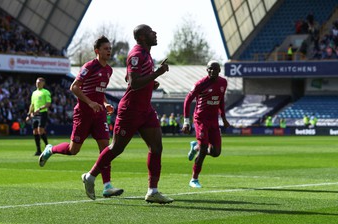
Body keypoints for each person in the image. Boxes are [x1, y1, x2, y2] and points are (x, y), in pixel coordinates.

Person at [81, 24, 173, 204]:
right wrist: (157, 74)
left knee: (156, 147)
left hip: (145, 109)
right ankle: (90, 176)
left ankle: (152, 191)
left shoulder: (146, 54)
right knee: (116, 148)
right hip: (130, 110)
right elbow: (134, 82)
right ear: (143, 37)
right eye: (150, 32)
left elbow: (129, 79)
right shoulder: (137, 54)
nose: (155, 33)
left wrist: (150, 83)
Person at [38, 36, 123, 198]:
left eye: (110, 48)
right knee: (73, 150)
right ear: (97, 51)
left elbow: (100, 92)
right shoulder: (89, 66)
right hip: (83, 114)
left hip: (99, 115)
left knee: (106, 149)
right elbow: (74, 87)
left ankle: (107, 186)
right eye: (106, 48)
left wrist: (104, 104)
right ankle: (51, 149)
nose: (109, 51)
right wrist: (90, 103)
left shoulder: (109, 70)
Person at [181, 60, 230, 188]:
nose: (212, 71)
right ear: (206, 70)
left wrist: (224, 118)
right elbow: (187, 100)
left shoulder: (223, 82)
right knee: (204, 149)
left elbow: (221, 101)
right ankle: (194, 178)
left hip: (214, 120)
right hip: (201, 119)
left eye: (215, 69)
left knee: (216, 152)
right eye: (210, 69)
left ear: (219, 70)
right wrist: (186, 122)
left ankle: (195, 147)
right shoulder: (200, 84)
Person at [26, 77, 51, 156]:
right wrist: (29, 114)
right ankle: (38, 150)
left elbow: (48, 104)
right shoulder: (34, 93)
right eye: (37, 82)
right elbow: (32, 105)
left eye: (39, 82)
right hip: (35, 114)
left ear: (43, 83)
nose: (38, 84)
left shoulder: (46, 92)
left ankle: (48, 147)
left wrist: (40, 108)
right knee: (35, 131)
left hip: (42, 113)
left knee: (40, 130)